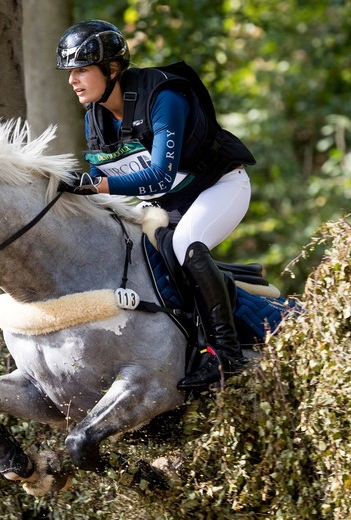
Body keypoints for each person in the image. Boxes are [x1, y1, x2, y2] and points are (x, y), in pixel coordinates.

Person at [55, 20, 256, 388]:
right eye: (71, 72)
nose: (72, 80)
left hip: (219, 187)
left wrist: (95, 183)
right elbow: (105, 190)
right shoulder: (94, 120)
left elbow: (159, 176)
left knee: (185, 246)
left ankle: (227, 355)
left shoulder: (164, 98)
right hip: (167, 206)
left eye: (82, 70)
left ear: (112, 69)